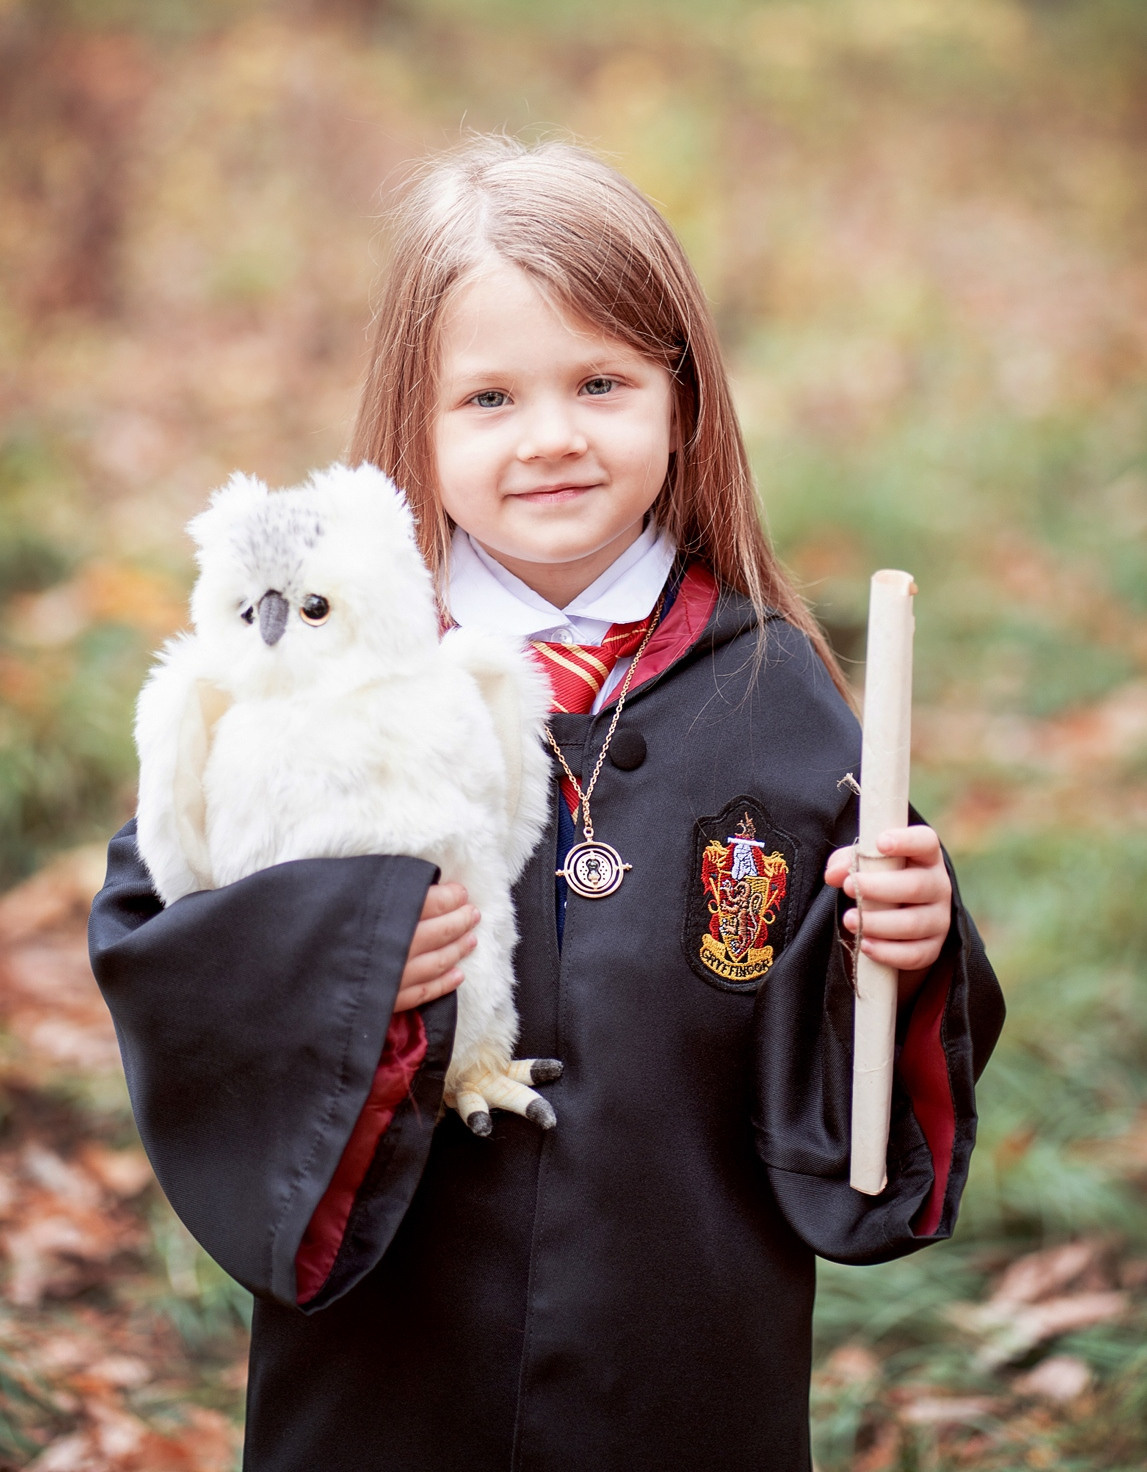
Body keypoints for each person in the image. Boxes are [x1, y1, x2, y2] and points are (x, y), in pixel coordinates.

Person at [90, 136, 1004, 1472]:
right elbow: (163, 936)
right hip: (394, 1369)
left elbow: (854, 1075)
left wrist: (908, 950)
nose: (555, 436)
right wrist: (339, 956)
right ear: (416, 421)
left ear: (681, 400)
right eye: (491, 399)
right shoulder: (313, 672)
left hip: (682, 1354)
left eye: (601, 382)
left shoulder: (776, 691)